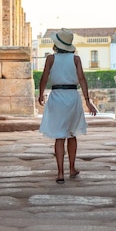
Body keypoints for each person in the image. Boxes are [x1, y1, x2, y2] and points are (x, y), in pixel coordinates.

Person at [38, 28, 97, 183]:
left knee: (59, 136)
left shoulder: (50, 58)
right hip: (72, 97)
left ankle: (60, 173)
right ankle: (71, 167)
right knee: (72, 134)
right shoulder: (75, 59)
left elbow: (44, 77)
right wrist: (87, 100)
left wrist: (40, 93)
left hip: (57, 96)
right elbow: (82, 79)